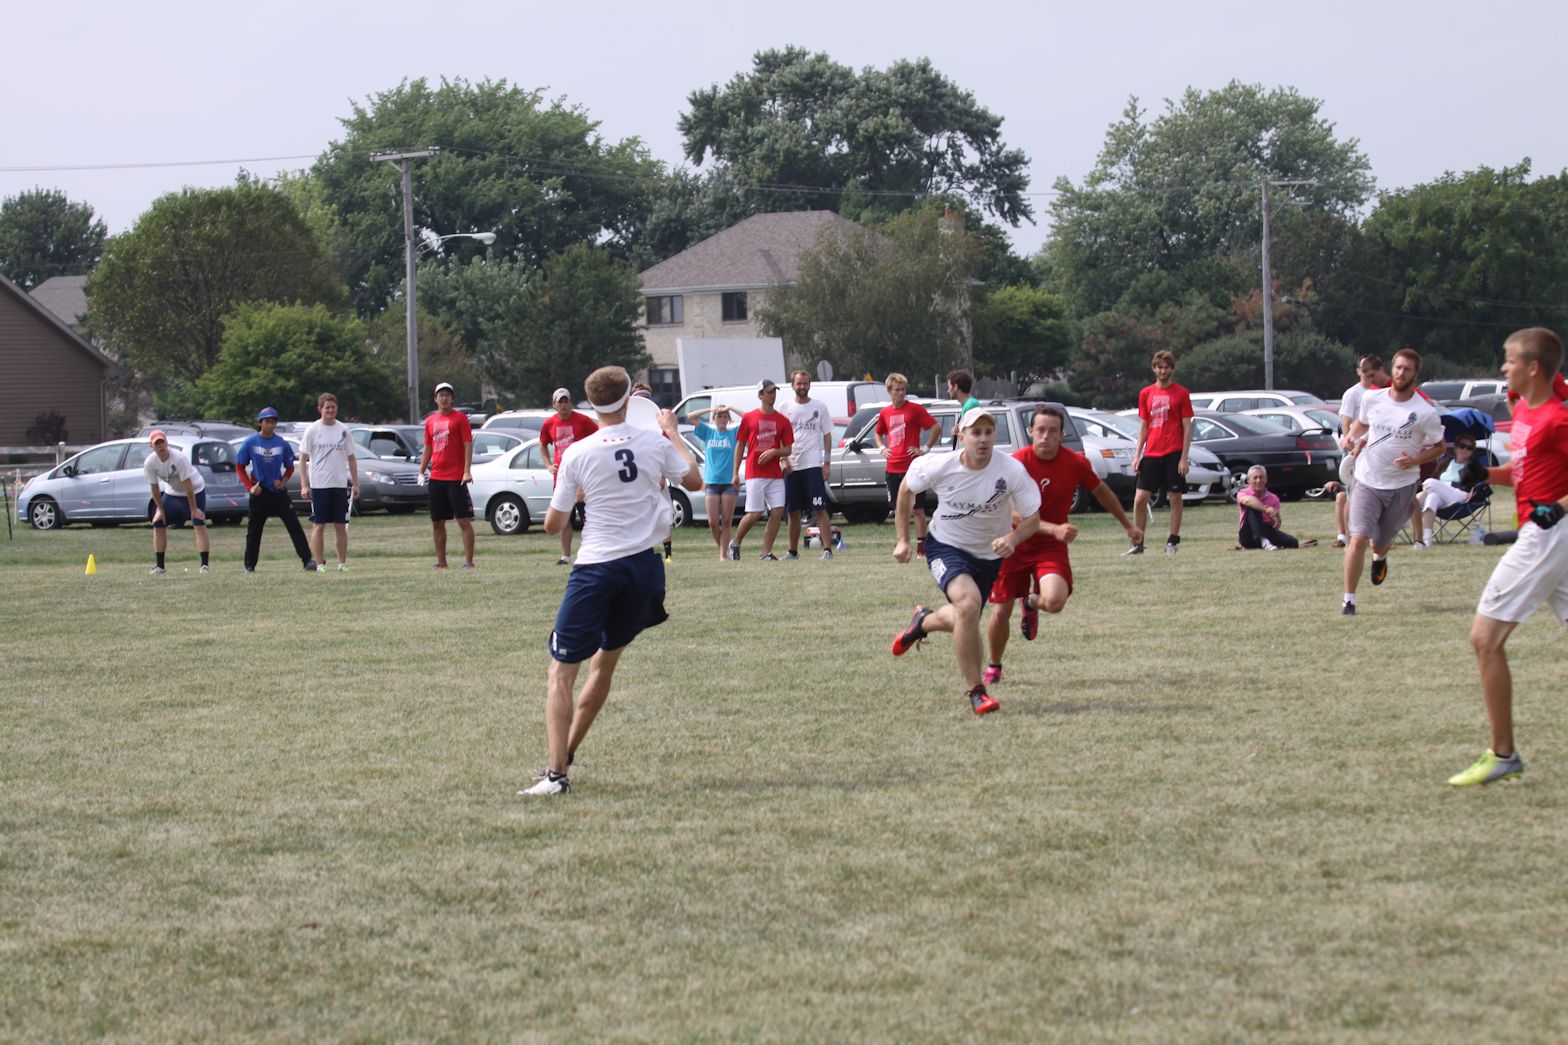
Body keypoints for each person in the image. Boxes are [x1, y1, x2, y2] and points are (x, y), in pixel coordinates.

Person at [522, 366, 702, 796]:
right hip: (644, 568)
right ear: (628, 401)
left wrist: (578, 494)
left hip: (597, 568)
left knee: (560, 673)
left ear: (590, 404)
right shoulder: (653, 441)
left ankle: (556, 776)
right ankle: (564, 755)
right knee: (604, 664)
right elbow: (694, 480)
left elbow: (552, 526)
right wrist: (673, 432)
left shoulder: (578, 453)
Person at [1449, 327, 1568, 786]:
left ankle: (1503, 755)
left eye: (1510, 360)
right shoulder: (1522, 411)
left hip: (1547, 535)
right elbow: (1525, 472)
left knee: (1485, 639)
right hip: (1547, 534)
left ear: (1533, 368)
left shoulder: (1557, 419)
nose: (1504, 367)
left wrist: (1558, 508)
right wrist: (1485, 474)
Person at [890, 407, 1042, 715]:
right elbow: (906, 489)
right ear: (961, 436)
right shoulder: (939, 465)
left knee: (965, 615)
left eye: (988, 432)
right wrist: (903, 539)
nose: (983, 439)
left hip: (989, 557)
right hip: (945, 546)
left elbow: (1033, 519)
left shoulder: (1010, 470)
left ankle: (923, 622)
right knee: (969, 605)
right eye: (976, 433)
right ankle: (976, 692)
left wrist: (1013, 539)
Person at [982, 405, 1142, 685]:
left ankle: (1031, 602)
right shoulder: (1015, 464)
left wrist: (1127, 525)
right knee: (1001, 610)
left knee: (1055, 602)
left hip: (1050, 548)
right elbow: (1009, 512)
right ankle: (994, 667)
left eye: (1052, 431)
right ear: (1030, 432)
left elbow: (1101, 491)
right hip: (1013, 544)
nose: (1046, 436)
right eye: (1040, 430)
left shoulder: (1075, 463)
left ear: (1061, 434)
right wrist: (1053, 528)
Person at [1339, 348, 1446, 615]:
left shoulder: (1424, 411)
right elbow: (1362, 424)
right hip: (1367, 478)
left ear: (1415, 374)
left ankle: (1380, 556)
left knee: (1378, 543)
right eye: (1398, 367)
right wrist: (1351, 436)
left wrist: (1416, 460)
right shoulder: (1372, 398)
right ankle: (1349, 600)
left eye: (1407, 369)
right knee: (1358, 538)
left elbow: (1440, 446)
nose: (1401, 373)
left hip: (1401, 485)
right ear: (1392, 369)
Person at [1128, 350, 1194, 556]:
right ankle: (1137, 543)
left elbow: (1187, 426)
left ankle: (1172, 541)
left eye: (1166, 367)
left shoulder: (1181, 393)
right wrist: (1137, 454)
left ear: (1171, 369)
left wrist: (1184, 457)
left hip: (1173, 451)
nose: (1163, 371)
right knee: (1140, 498)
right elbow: (1144, 425)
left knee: (1175, 496)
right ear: (1154, 369)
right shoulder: (1145, 393)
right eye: (1159, 367)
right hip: (1152, 453)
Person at [235, 407, 316, 573]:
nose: (271, 425)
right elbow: (240, 466)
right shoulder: (251, 442)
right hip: (260, 492)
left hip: (278, 493)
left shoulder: (281, 443)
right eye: (267, 422)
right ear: (260, 423)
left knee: (294, 525)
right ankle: (249, 565)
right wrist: (250, 488)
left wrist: (283, 481)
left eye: (273, 422)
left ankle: (307, 560)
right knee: (254, 531)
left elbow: (289, 467)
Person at [874, 373, 940, 554]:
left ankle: (922, 546)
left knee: (917, 509)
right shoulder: (885, 412)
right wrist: (882, 448)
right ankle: (902, 543)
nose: (901, 393)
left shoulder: (915, 410)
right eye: (897, 390)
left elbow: (936, 427)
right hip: (892, 467)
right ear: (890, 391)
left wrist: (924, 449)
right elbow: (878, 432)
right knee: (898, 509)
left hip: (912, 467)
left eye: (903, 389)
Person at [730, 379, 794, 561]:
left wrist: (774, 452)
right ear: (760, 395)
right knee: (755, 513)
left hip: (775, 474)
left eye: (774, 392)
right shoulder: (749, 418)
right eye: (769, 392)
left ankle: (765, 552)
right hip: (755, 472)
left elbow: (788, 449)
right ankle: (735, 543)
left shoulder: (783, 420)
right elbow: (740, 445)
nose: (772, 395)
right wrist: (735, 473)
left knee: (778, 511)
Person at [297, 392, 360, 572]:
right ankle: (319, 564)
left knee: (341, 525)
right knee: (319, 525)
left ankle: (342, 563)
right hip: (319, 485)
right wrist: (304, 484)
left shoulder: (343, 430)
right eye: (327, 407)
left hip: (339, 484)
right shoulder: (312, 430)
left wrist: (355, 484)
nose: (330, 410)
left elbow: (351, 458)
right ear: (320, 409)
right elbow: (303, 458)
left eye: (333, 407)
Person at [418, 381, 476, 570]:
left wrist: (467, 470)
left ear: (452, 399)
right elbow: (428, 447)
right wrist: (421, 470)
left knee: (463, 520)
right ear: (435, 399)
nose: (444, 398)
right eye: (441, 395)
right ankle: (441, 562)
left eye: (447, 395)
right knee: (437, 522)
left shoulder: (460, 419)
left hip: (455, 477)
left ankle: (468, 562)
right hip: (437, 477)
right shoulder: (430, 421)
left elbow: (468, 444)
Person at [779, 369, 836, 560]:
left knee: (819, 508)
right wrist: (783, 459)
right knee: (792, 511)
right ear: (792, 385)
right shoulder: (785, 406)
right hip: (792, 466)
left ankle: (827, 550)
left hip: (812, 465)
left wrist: (826, 463)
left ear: (809, 385)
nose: (802, 386)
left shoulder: (819, 406)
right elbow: (779, 436)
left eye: (805, 383)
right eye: (799, 383)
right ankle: (792, 551)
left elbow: (827, 435)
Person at [538, 387, 599, 565]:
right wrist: (548, 464)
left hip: (582, 478)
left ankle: (593, 553)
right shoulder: (549, 423)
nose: (564, 405)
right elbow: (542, 444)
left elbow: (598, 438)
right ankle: (565, 556)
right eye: (560, 402)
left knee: (588, 517)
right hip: (562, 478)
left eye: (566, 401)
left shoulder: (583, 421)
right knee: (565, 519)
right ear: (554, 404)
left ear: (570, 402)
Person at [1335, 355, 1389, 547]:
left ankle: (1377, 536)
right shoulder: (1353, 393)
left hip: (1375, 449)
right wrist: (1349, 442)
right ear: (1358, 371)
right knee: (1353, 495)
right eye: (1363, 370)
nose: (1367, 375)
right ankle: (1352, 538)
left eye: (1371, 371)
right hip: (1355, 450)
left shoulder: (1382, 391)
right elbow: (1345, 421)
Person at [143, 429, 210, 574]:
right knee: (158, 522)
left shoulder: (179, 458)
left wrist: (194, 510)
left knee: (198, 522)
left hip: (195, 490)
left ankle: (205, 565)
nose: (160, 446)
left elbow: (189, 485)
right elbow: (154, 488)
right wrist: (160, 510)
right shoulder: (150, 462)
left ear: (166, 442)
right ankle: (160, 566)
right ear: (152, 446)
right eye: (157, 444)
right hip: (173, 493)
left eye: (162, 442)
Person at [1412, 437, 1488, 547]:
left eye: (1469, 448)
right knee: (1432, 497)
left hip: (1460, 497)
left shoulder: (1473, 467)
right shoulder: (1446, 463)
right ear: (1456, 448)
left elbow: (1482, 483)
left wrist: (1473, 493)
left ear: (1472, 451)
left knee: (1429, 483)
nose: (1465, 449)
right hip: (1441, 496)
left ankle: (1409, 509)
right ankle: (1427, 539)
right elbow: (1434, 477)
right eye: (1462, 446)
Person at [689, 403, 740, 561]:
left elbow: (749, 418)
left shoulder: (733, 433)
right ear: (714, 419)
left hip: (729, 483)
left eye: (725, 417)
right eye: (719, 416)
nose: (722, 419)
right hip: (711, 483)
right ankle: (725, 549)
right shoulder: (708, 432)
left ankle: (723, 555)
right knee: (712, 522)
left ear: (728, 419)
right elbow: (691, 416)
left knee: (726, 521)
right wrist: (711, 409)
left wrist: (731, 408)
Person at [1236, 465, 1313, 550]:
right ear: (1248, 480)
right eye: (1255, 478)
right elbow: (1247, 501)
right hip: (1248, 534)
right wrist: (1266, 510)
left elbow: (1275, 525)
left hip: (1266, 530)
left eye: (1261, 477)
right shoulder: (1243, 493)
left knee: (1293, 542)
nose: (1258, 480)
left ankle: (1265, 542)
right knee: (1253, 507)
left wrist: (1277, 518)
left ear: (1266, 479)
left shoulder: (1273, 498)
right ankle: (1264, 542)